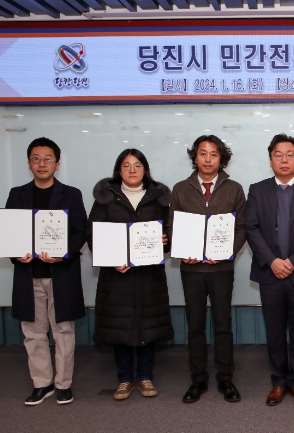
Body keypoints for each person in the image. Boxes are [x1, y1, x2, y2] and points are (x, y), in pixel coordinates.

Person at [5, 137, 87, 405]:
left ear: (57, 164)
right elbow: (9, 231)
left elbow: (80, 232)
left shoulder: (71, 194)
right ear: (29, 163)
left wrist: (63, 254)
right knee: (33, 333)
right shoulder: (17, 194)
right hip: (28, 275)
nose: (42, 164)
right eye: (36, 159)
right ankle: (42, 383)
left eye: (48, 159)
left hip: (61, 274)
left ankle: (63, 384)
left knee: (63, 331)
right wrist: (16, 253)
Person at [245, 133, 294, 407]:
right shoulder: (257, 190)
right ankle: (278, 381)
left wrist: (292, 261)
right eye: (278, 155)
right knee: (275, 331)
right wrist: (272, 261)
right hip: (270, 273)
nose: (284, 160)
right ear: (270, 160)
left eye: (290, 154)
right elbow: (251, 228)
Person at [87, 149, 174, 401]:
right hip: (117, 276)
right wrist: (112, 260)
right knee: (120, 327)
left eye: (137, 165)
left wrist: (166, 240)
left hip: (149, 276)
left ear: (145, 169)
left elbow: (169, 233)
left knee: (148, 327)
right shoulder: (105, 199)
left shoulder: (159, 199)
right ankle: (125, 378)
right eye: (126, 165)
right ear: (119, 170)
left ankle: (145, 376)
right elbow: (93, 235)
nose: (132, 170)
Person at [167, 135, 246, 403]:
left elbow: (241, 228)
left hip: (221, 270)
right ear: (195, 157)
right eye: (203, 153)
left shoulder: (234, 189)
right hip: (191, 271)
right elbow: (172, 226)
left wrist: (227, 252)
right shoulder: (180, 189)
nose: (208, 159)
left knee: (223, 325)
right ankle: (198, 379)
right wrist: (182, 251)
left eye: (214, 154)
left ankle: (225, 378)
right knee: (196, 326)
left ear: (221, 158)